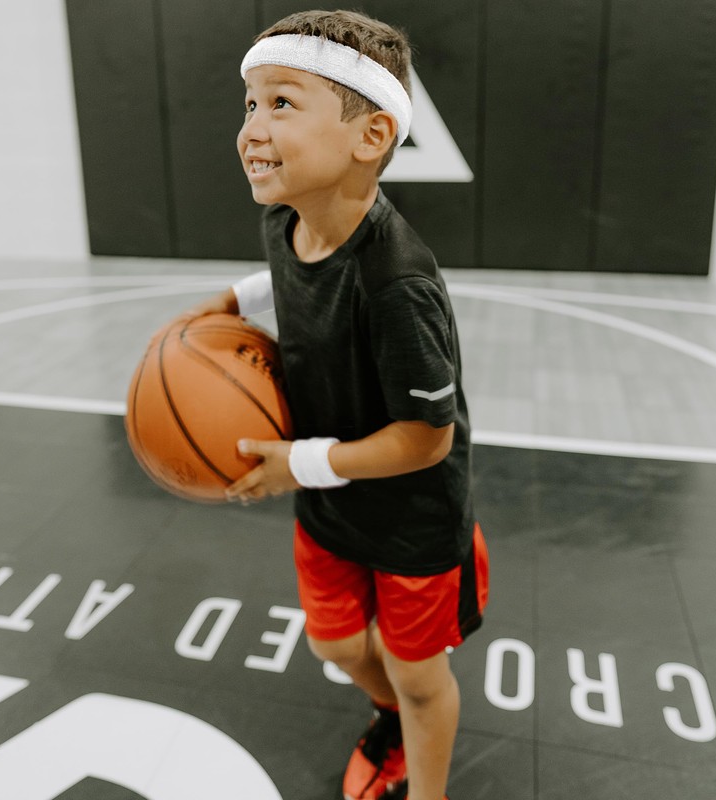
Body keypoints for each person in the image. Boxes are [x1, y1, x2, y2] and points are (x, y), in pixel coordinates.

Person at [172, 10, 489, 800]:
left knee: (420, 679)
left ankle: (425, 781)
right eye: (249, 103)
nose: (252, 127)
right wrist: (230, 303)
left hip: (411, 516)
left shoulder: (399, 283)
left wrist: (298, 465)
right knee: (337, 645)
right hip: (329, 501)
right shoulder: (285, 219)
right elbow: (290, 276)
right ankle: (392, 719)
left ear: (371, 135)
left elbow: (426, 439)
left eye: (281, 103)